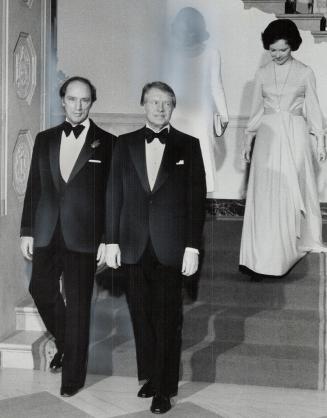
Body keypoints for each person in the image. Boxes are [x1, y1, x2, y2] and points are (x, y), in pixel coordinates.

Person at [105, 81, 206, 414]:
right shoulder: (124, 144)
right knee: (141, 316)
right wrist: (111, 240)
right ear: (143, 105)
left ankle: (165, 388)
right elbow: (113, 195)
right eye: (153, 102)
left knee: (167, 319)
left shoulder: (187, 146)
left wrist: (192, 246)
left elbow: (195, 200)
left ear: (173, 107)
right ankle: (149, 375)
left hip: (171, 246)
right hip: (133, 245)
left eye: (166, 103)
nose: (160, 109)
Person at [20, 76, 116, 396]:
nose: (78, 106)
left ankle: (72, 377)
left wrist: (107, 238)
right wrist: (28, 231)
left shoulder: (108, 142)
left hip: (85, 236)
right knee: (40, 289)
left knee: (78, 305)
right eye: (72, 99)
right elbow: (35, 186)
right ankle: (67, 344)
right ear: (62, 100)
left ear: (92, 103)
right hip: (47, 230)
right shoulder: (45, 139)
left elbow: (112, 196)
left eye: (84, 100)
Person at [240, 19, 326, 278]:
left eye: (283, 50)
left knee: (293, 188)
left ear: (293, 47)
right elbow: (256, 110)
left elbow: (313, 110)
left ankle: (292, 245)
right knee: (267, 194)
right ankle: (262, 253)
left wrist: (320, 141)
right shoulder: (262, 73)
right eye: (273, 50)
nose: (277, 55)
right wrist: (248, 139)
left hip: (295, 136)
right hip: (267, 137)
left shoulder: (305, 72)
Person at [161, 6, 229, 193]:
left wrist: (224, 115)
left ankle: (197, 196)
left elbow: (216, 86)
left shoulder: (211, 53)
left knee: (201, 154)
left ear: (193, 30)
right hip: (176, 114)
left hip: (201, 114)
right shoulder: (169, 54)